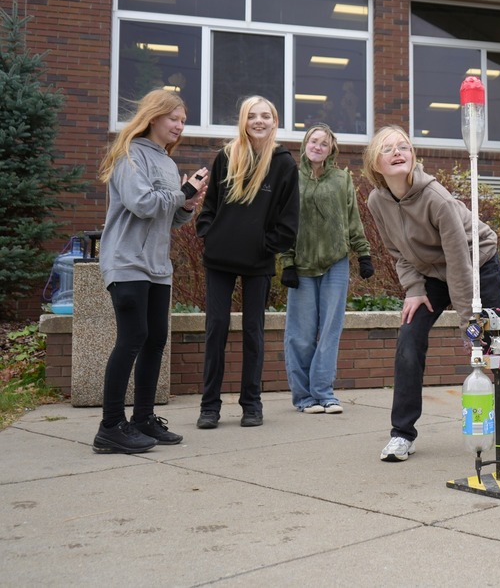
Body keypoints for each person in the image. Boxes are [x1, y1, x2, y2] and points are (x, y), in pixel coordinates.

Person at [363, 125, 500, 462]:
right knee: (409, 337)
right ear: (375, 165)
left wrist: (469, 326)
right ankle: (402, 434)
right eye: (388, 149)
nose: (398, 152)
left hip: (476, 262)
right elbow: (396, 251)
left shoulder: (435, 198)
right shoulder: (376, 201)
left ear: (413, 156)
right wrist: (413, 290)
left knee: (494, 342)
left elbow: (459, 263)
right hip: (431, 273)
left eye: (404, 147)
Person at [92, 89, 208, 454]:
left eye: (183, 121)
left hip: (158, 267)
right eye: (174, 118)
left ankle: (143, 418)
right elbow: (142, 203)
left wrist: (187, 204)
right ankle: (110, 426)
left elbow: (169, 216)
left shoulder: (168, 163)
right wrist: (182, 192)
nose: (179, 125)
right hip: (127, 261)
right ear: (154, 116)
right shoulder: (130, 154)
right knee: (132, 337)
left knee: (156, 338)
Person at [196, 96, 299, 428]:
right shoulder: (227, 156)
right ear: (243, 120)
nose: (259, 121)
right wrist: (208, 232)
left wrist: (265, 246)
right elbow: (209, 204)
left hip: (257, 261)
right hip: (219, 257)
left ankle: (251, 404)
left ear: (274, 121)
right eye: (252, 116)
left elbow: (289, 219)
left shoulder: (283, 163)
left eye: (265, 116)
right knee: (216, 329)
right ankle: (209, 406)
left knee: (253, 332)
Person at [280, 123, 374, 414]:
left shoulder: (342, 179)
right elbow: (284, 223)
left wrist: (364, 254)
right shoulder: (291, 179)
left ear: (331, 149)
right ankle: (304, 397)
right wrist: (287, 262)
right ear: (305, 145)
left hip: (336, 262)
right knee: (301, 333)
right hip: (302, 265)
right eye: (313, 140)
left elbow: (352, 218)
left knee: (331, 330)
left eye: (324, 142)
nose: (317, 146)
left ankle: (325, 392)